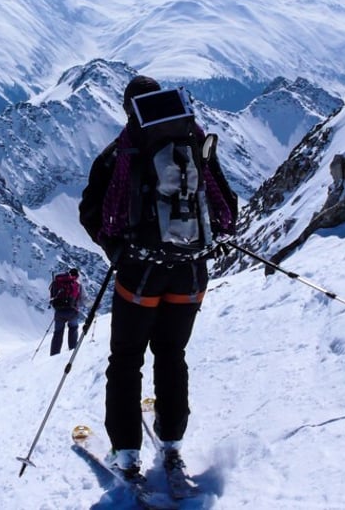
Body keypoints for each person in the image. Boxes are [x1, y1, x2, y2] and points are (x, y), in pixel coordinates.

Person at [78, 75, 237, 483]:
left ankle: (127, 453)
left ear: (129, 108)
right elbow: (227, 206)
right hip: (190, 273)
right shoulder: (193, 144)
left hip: (140, 275)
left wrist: (115, 248)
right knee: (171, 354)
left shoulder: (121, 152)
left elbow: (91, 212)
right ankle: (171, 443)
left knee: (126, 361)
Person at [49, 268, 83, 355]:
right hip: (72, 311)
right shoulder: (77, 284)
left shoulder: (58, 282)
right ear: (77, 276)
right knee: (73, 328)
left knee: (58, 333)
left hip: (59, 312)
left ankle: (54, 354)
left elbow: (52, 296)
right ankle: (72, 351)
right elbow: (84, 300)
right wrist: (95, 306)